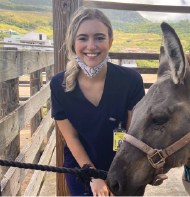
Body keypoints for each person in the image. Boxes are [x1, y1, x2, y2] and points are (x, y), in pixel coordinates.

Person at [50, 8, 145, 196]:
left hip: (123, 165)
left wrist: (121, 174)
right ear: (73, 43)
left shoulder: (131, 80)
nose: (91, 46)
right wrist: (94, 177)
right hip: (81, 168)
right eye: (83, 38)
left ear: (110, 42)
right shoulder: (59, 84)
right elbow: (71, 138)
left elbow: (132, 134)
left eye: (99, 38)